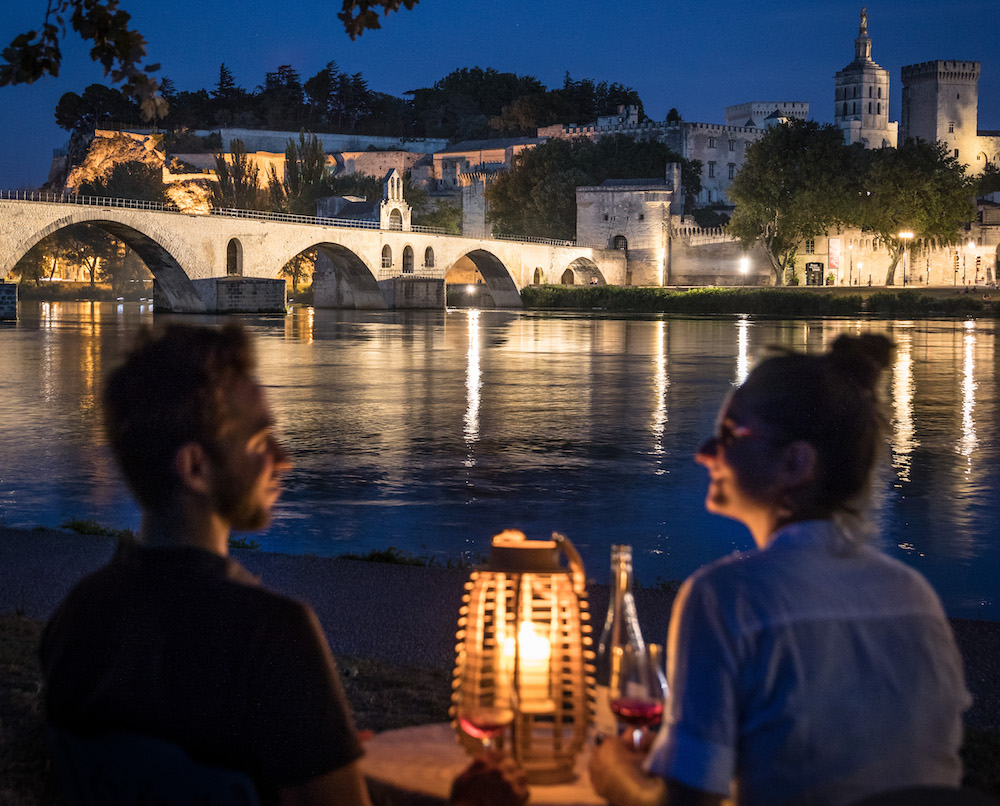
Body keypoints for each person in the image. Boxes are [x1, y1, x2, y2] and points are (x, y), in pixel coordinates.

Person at [40, 323, 526, 806]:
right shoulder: (271, 636)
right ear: (195, 467)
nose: (284, 459)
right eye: (260, 442)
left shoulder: (77, 618)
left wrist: (313, 752)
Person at [589, 334, 971, 806]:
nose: (704, 452)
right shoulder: (914, 594)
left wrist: (610, 774)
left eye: (730, 435)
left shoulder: (725, 597)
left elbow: (685, 803)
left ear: (795, 462)